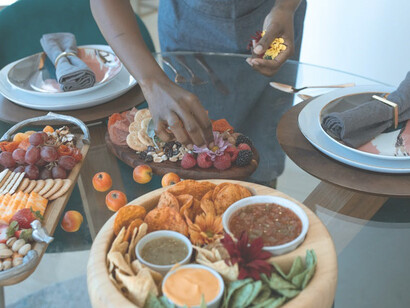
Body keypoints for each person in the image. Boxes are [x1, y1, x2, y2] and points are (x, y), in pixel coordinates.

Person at [90, 0, 306, 147]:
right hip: (189, 24)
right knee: (192, 153)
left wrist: (286, 8)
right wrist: (151, 82)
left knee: (262, 157)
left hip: (274, 16)